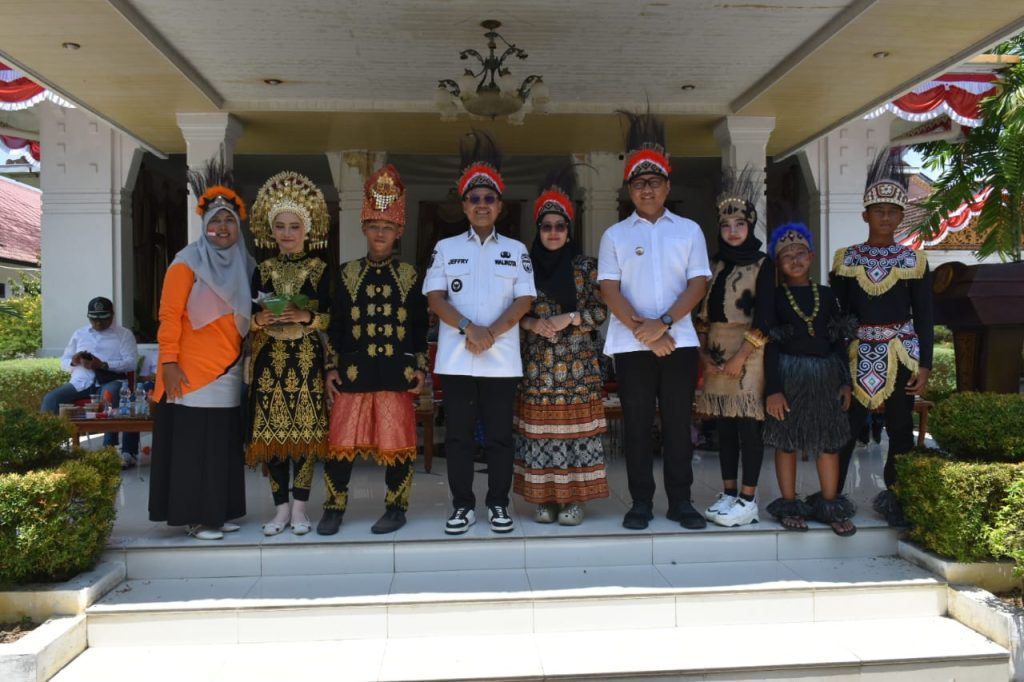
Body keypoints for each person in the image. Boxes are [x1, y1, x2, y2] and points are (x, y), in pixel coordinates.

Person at [598, 111, 711, 530]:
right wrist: (642, 331)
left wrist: (662, 323)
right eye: (639, 184)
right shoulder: (615, 235)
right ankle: (641, 502)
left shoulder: (689, 230)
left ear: (667, 186)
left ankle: (681, 501)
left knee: (679, 425)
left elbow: (698, 284)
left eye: (654, 183)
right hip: (631, 346)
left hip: (677, 342)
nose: (647, 190)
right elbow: (609, 289)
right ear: (630, 189)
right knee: (638, 426)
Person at [423, 131, 536, 535]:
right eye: (474, 198)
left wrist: (492, 333)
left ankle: (499, 504)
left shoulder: (518, 250)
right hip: (458, 359)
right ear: (464, 205)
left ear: (500, 206)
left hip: (502, 360)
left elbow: (524, 301)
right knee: (458, 438)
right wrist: (470, 328)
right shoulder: (446, 246)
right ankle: (462, 505)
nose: (482, 205)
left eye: (489, 199)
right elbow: (435, 297)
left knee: (501, 439)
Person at [319, 164, 429, 535]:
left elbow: (418, 326)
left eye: (388, 227)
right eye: (375, 226)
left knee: (398, 444)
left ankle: (396, 509)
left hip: (395, 374)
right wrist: (331, 367)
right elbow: (336, 324)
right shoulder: (347, 272)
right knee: (340, 443)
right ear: (364, 228)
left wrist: (420, 367)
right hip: (353, 371)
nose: (381, 233)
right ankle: (334, 507)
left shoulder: (411, 275)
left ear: (398, 232)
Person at [148, 159, 254, 541]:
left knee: (221, 446)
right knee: (195, 447)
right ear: (204, 224)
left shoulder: (245, 265)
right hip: (189, 374)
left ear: (237, 225)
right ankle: (195, 517)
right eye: (215, 220)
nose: (222, 228)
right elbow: (169, 316)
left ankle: (218, 512)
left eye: (229, 221)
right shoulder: (186, 263)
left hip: (227, 371)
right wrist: (169, 363)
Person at [832, 150, 933, 526]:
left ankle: (897, 496)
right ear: (866, 216)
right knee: (846, 426)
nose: (886, 218)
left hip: (900, 351)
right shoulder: (847, 259)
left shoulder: (915, 262)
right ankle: (832, 495)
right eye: (879, 211)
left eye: (893, 212)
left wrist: (924, 365)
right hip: (857, 351)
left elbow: (924, 314)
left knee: (900, 428)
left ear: (901, 216)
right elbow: (838, 315)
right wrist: (837, 363)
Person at [513, 165, 609, 526]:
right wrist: (533, 322)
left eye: (560, 226)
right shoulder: (524, 268)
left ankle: (573, 500)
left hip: (577, 368)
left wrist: (570, 318)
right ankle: (545, 499)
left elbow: (601, 310)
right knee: (542, 437)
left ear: (569, 232)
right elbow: (511, 311)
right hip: (538, 367)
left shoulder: (585, 267)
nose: (553, 232)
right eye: (547, 226)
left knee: (574, 437)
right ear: (538, 230)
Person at [246, 171, 332, 536]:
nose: (286, 233)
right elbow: (250, 316)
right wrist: (259, 318)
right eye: (280, 226)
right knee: (273, 437)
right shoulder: (262, 269)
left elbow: (332, 318)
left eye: (294, 226)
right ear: (271, 229)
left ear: (307, 229)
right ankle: (280, 509)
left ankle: (300, 508)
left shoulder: (321, 270)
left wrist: (306, 315)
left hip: (307, 361)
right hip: (269, 364)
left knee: (306, 437)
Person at [762, 224, 856, 536]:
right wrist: (773, 389)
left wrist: (845, 382)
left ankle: (830, 504)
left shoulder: (827, 296)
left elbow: (839, 340)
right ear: (778, 263)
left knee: (828, 442)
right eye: (786, 256)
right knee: (786, 441)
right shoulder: (774, 298)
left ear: (812, 256)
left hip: (825, 376)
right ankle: (789, 503)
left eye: (800, 253)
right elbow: (770, 346)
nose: (794, 260)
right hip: (789, 377)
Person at [694, 168, 773, 527]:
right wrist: (703, 355)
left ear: (750, 225)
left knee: (747, 428)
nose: (733, 231)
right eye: (726, 226)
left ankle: (749, 498)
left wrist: (742, 356)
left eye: (739, 224)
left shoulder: (762, 263)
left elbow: (767, 317)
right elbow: (700, 315)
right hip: (715, 351)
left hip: (750, 352)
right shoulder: (714, 264)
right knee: (723, 427)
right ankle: (728, 493)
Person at [41, 296, 139, 467]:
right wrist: (73, 361)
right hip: (81, 382)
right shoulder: (80, 334)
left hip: (111, 379)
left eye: (103, 319)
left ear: (112, 316)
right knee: (51, 399)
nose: (98, 324)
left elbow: (131, 362)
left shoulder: (124, 334)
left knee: (109, 395)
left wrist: (103, 364)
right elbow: (63, 361)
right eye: (94, 319)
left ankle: (109, 449)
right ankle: (44, 449)